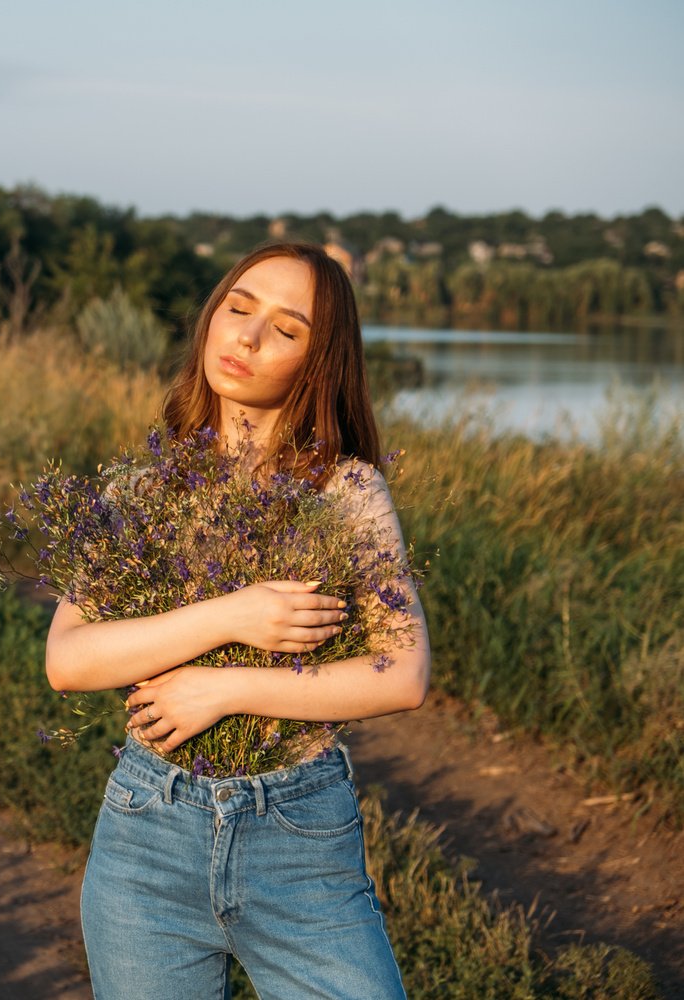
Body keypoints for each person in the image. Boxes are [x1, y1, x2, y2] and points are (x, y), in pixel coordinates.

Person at [46, 241, 431, 999]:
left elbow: (404, 675)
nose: (249, 339)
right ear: (212, 317)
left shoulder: (346, 492)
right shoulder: (143, 490)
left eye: (287, 330)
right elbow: (69, 661)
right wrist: (236, 614)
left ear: (320, 362)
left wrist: (221, 690)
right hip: (147, 834)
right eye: (239, 308)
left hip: (298, 839)